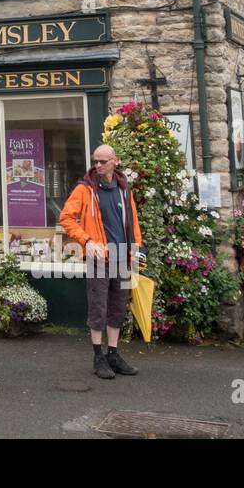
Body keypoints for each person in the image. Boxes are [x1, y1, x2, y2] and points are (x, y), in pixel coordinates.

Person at [59, 144, 144, 380]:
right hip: (99, 258)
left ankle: (113, 355)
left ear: (115, 161)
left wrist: (137, 248)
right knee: (98, 308)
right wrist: (86, 241)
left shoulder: (124, 189)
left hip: (122, 256)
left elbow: (133, 221)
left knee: (117, 308)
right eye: (95, 161)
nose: (97, 165)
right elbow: (66, 217)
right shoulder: (85, 189)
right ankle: (98, 357)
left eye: (103, 161)